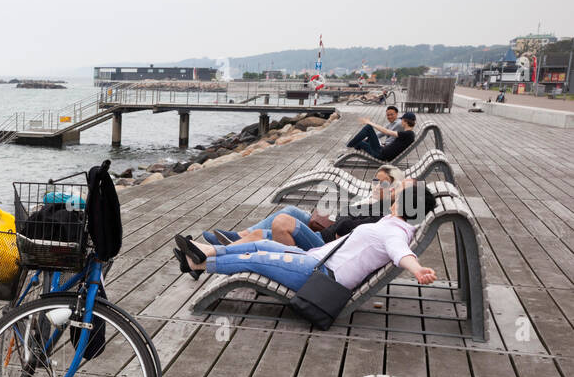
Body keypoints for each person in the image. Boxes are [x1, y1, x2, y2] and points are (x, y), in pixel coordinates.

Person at [172, 183, 437, 296]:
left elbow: (400, 252)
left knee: (256, 259)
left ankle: (199, 264)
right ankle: (206, 250)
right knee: (262, 244)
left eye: (400, 196)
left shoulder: (396, 232)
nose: (395, 197)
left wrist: (417, 269)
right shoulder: (391, 221)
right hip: (313, 260)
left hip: (320, 274)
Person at [202, 167, 405, 248]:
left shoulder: (383, 211)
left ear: (395, 188)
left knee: (272, 229)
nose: (377, 186)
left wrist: (342, 216)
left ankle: (219, 249)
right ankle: (234, 238)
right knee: (289, 211)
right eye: (375, 181)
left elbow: (346, 226)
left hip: (323, 241)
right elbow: (346, 220)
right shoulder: (377, 203)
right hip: (328, 229)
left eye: (384, 183)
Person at [346, 109, 416, 160]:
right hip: (382, 150)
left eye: (402, 120)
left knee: (368, 127)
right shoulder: (409, 134)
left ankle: (349, 146)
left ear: (405, 121)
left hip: (381, 154)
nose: (401, 122)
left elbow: (386, 131)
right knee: (360, 142)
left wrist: (370, 122)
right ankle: (350, 149)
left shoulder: (408, 134)